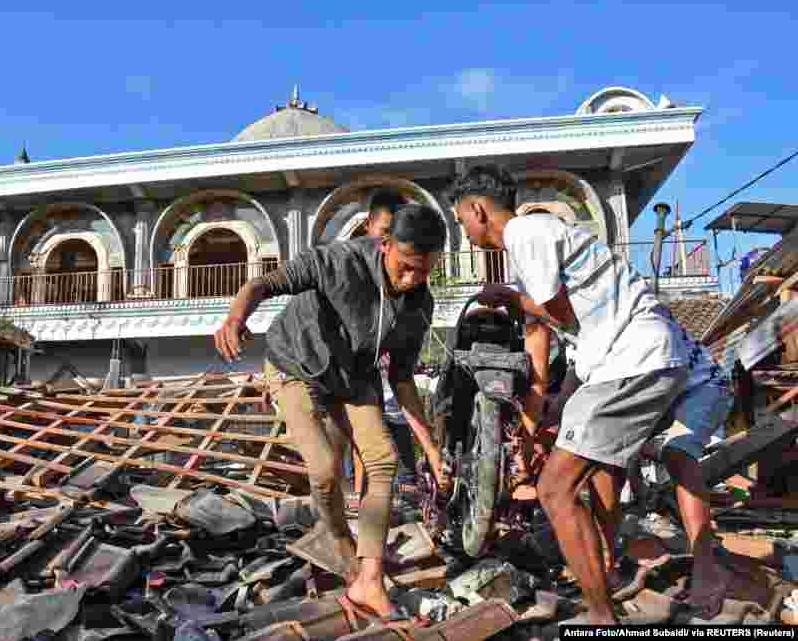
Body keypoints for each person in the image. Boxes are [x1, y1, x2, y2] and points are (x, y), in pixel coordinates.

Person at [446, 164, 730, 623]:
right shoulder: (547, 240)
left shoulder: (524, 231)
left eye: (461, 219)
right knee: (596, 471)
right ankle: (608, 576)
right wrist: (551, 412)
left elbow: (557, 313)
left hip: (636, 360)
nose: (464, 229)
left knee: (555, 489)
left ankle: (601, 616)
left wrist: (510, 298)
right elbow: (578, 336)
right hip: (634, 360)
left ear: (477, 209)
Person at [214, 204, 450, 625]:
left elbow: (401, 378)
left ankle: (369, 580)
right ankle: (342, 545)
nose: (412, 279)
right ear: (385, 245)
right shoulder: (336, 262)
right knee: (324, 468)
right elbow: (264, 284)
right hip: (295, 364)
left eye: (424, 271)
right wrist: (235, 318)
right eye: (406, 267)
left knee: (383, 461)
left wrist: (430, 447)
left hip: (354, 378)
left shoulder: (418, 303)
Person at [351, 189, 419, 488]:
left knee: (405, 479)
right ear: (368, 226)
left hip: (396, 412)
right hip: (365, 408)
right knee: (364, 472)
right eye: (382, 234)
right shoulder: (349, 271)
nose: (387, 245)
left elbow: (402, 375)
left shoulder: (409, 290)